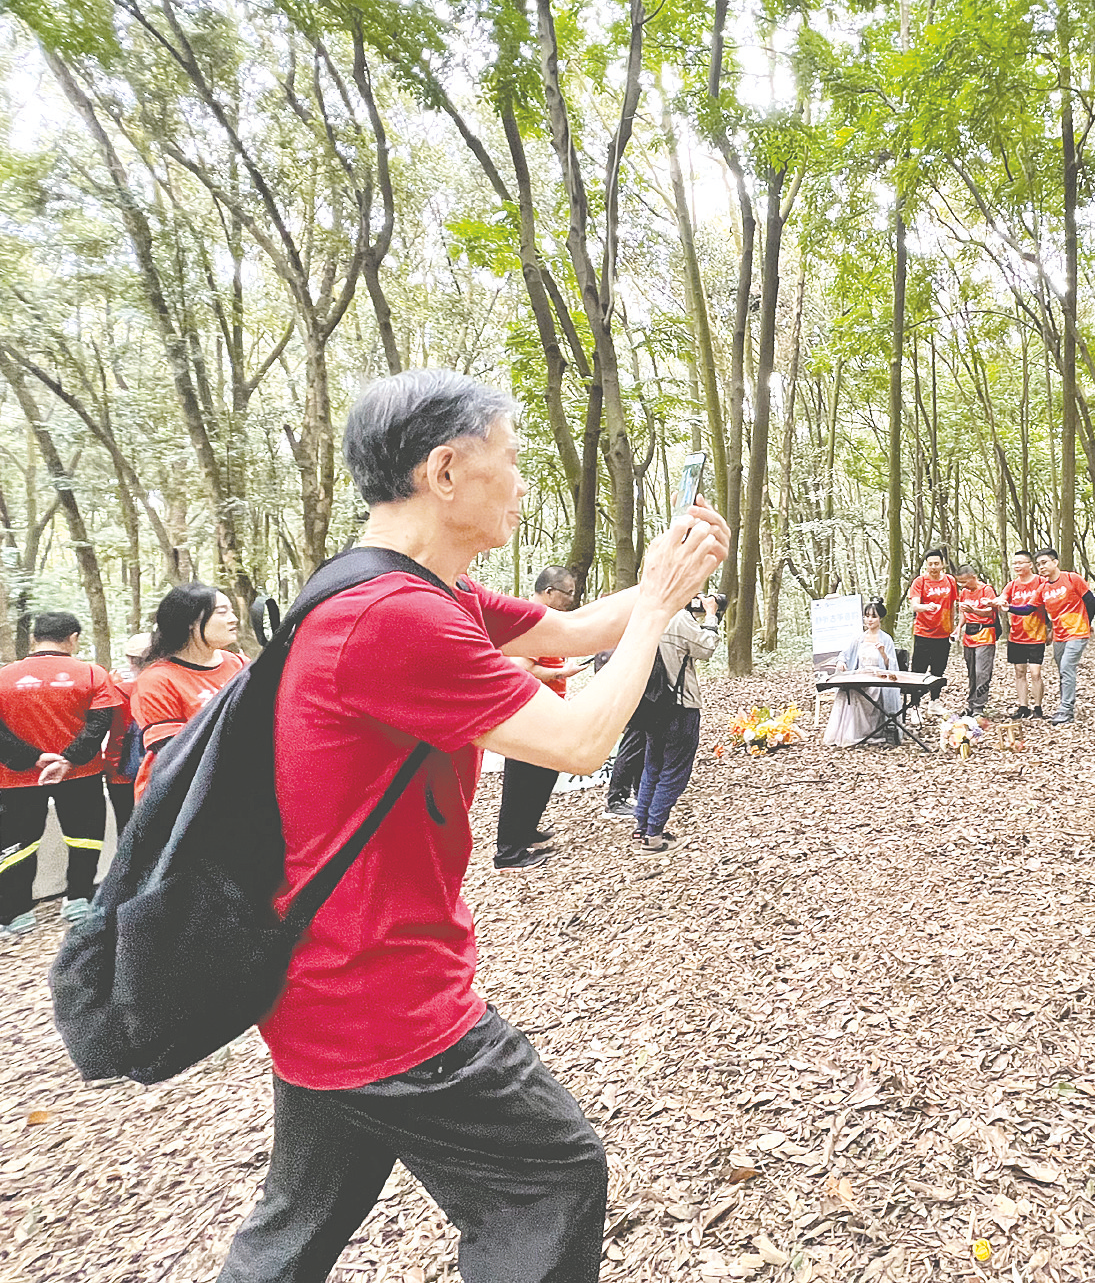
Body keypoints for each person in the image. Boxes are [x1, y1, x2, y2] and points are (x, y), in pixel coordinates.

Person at [215, 369, 727, 1283]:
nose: (523, 481)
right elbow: (578, 738)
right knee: (550, 1178)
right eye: (513, 458)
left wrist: (667, 576)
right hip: (384, 998)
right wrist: (653, 608)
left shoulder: (412, 590)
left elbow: (568, 632)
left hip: (321, 988)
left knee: (295, 1226)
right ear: (445, 471)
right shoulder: (392, 617)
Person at [0, 611, 121, 939]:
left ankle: (15, 914)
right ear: (73, 638)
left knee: (17, 843)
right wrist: (67, 760)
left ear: (34, 639)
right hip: (81, 774)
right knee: (85, 837)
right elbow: (100, 722)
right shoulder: (93, 674)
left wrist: (34, 759)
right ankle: (79, 899)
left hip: (18, 777)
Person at [493, 566, 582, 871]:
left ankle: (526, 831)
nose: (571, 598)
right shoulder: (531, 622)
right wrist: (560, 673)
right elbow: (520, 668)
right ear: (548, 592)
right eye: (567, 592)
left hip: (545, 710)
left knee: (544, 773)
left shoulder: (544, 621)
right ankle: (508, 851)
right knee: (522, 779)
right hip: (527, 713)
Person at [131, 584, 247, 804]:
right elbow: (174, 748)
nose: (233, 619)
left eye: (232, 611)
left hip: (234, 790)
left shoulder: (239, 663)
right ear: (191, 622)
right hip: (179, 798)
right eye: (222, 612)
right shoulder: (158, 679)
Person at [632, 590, 724, 853]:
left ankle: (642, 829)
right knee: (674, 772)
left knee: (653, 766)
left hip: (650, 706)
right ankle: (655, 835)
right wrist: (711, 615)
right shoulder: (678, 618)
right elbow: (706, 647)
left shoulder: (644, 616)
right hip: (679, 706)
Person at [823, 599, 901, 747]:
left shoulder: (886, 639)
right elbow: (844, 654)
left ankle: (874, 731)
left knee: (873, 691)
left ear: (880, 619)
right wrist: (841, 662)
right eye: (867, 616)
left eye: (873, 616)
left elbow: (892, 666)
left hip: (878, 679)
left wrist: (883, 654)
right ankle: (854, 732)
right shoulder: (858, 638)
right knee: (852, 691)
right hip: (860, 675)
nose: (869, 620)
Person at [1035, 548, 1095, 726]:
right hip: (1059, 635)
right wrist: (1007, 606)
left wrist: (1086, 622)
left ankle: (1066, 710)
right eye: (1038, 565)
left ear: (1055, 562)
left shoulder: (1072, 578)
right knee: (1063, 670)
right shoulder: (1043, 588)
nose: (1041, 567)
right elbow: (1030, 608)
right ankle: (1065, 705)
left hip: (1077, 633)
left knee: (1067, 667)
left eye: (1045, 562)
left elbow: (1091, 601)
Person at [103, 632, 151, 835]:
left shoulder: (115, 690)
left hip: (120, 770)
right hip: (161, 768)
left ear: (130, 660)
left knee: (127, 828)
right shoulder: (171, 686)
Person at [905, 548, 956, 709]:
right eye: (930, 564)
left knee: (938, 669)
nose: (933, 567)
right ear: (926, 566)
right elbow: (915, 605)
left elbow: (953, 604)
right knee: (918, 671)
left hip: (943, 633)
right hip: (923, 632)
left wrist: (954, 627)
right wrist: (927, 607)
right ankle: (914, 704)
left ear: (943, 564)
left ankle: (934, 701)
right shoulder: (920, 582)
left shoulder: (950, 581)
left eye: (936, 563)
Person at [1000, 550, 1048, 719]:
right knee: (1019, 672)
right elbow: (1002, 599)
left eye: (1021, 563)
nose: (1017, 566)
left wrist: (1051, 629)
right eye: (1015, 563)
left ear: (1030, 564)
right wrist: (995, 602)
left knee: (1035, 672)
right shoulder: (1012, 585)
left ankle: (1038, 707)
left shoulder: (1041, 582)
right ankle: (1023, 707)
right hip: (1016, 635)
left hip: (1036, 635)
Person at [955, 565, 999, 715]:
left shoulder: (987, 590)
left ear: (973, 577)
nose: (963, 585)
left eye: (965, 581)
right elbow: (963, 613)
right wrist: (958, 628)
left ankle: (979, 706)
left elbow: (990, 612)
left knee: (982, 671)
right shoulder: (964, 592)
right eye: (960, 582)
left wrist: (974, 610)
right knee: (972, 671)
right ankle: (971, 704)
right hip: (969, 635)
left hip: (985, 633)